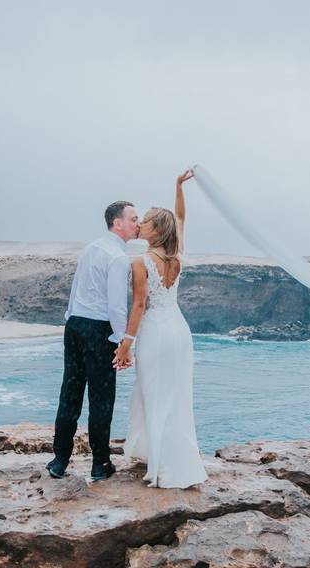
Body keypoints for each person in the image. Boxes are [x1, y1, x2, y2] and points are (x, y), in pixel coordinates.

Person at [116, 169, 208, 489]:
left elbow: (139, 306)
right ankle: (171, 457)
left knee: (154, 395)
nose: (139, 223)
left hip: (155, 333)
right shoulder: (176, 255)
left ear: (155, 231)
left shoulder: (140, 262)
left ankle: (160, 466)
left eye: (147, 220)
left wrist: (126, 344)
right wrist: (178, 187)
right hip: (180, 332)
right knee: (177, 396)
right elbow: (180, 217)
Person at [47, 200, 139, 481]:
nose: (139, 223)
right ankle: (100, 464)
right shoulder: (118, 257)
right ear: (118, 223)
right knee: (101, 399)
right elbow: (116, 307)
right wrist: (124, 341)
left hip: (75, 325)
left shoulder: (91, 248)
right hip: (100, 330)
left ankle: (59, 461)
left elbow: (75, 289)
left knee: (70, 393)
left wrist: (70, 320)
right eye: (134, 219)